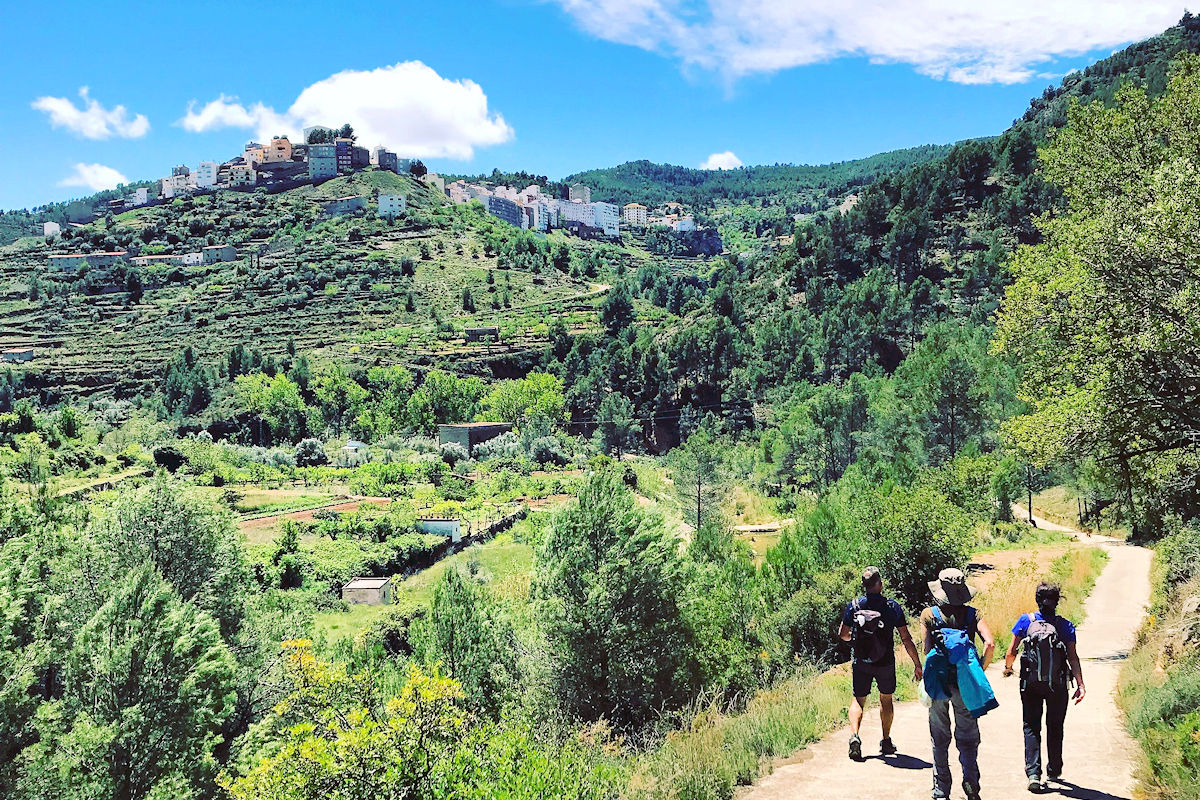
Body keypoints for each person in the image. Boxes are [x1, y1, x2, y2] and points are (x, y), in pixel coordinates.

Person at [1003, 582, 1086, 793]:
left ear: (1037, 600)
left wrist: (1008, 668)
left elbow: (1011, 650)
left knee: (1031, 726)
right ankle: (1054, 769)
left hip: (1030, 684)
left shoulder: (1025, 621)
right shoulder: (1065, 626)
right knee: (1055, 725)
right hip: (1057, 685)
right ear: (1057, 602)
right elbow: (1072, 657)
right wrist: (1080, 684)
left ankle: (1033, 774)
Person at [922, 568, 995, 800]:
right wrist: (979, 668)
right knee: (968, 738)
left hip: (938, 684)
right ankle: (971, 784)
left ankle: (941, 789)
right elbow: (990, 643)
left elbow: (926, 651)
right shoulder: (973, 614)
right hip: (964, 684)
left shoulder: (929, 614)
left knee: (939, 737)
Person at [838, 566, 924, 761]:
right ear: (880, 584)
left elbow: (843, 634)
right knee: (886, 699)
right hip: (885, 662)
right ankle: (885, 740)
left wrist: (857, 643)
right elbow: (906, 639)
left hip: (861, 661)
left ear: (865, 586)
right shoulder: (892, 607)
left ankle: (855, 736)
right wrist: (917, 664)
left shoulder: (854, 606)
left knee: (858, 699)